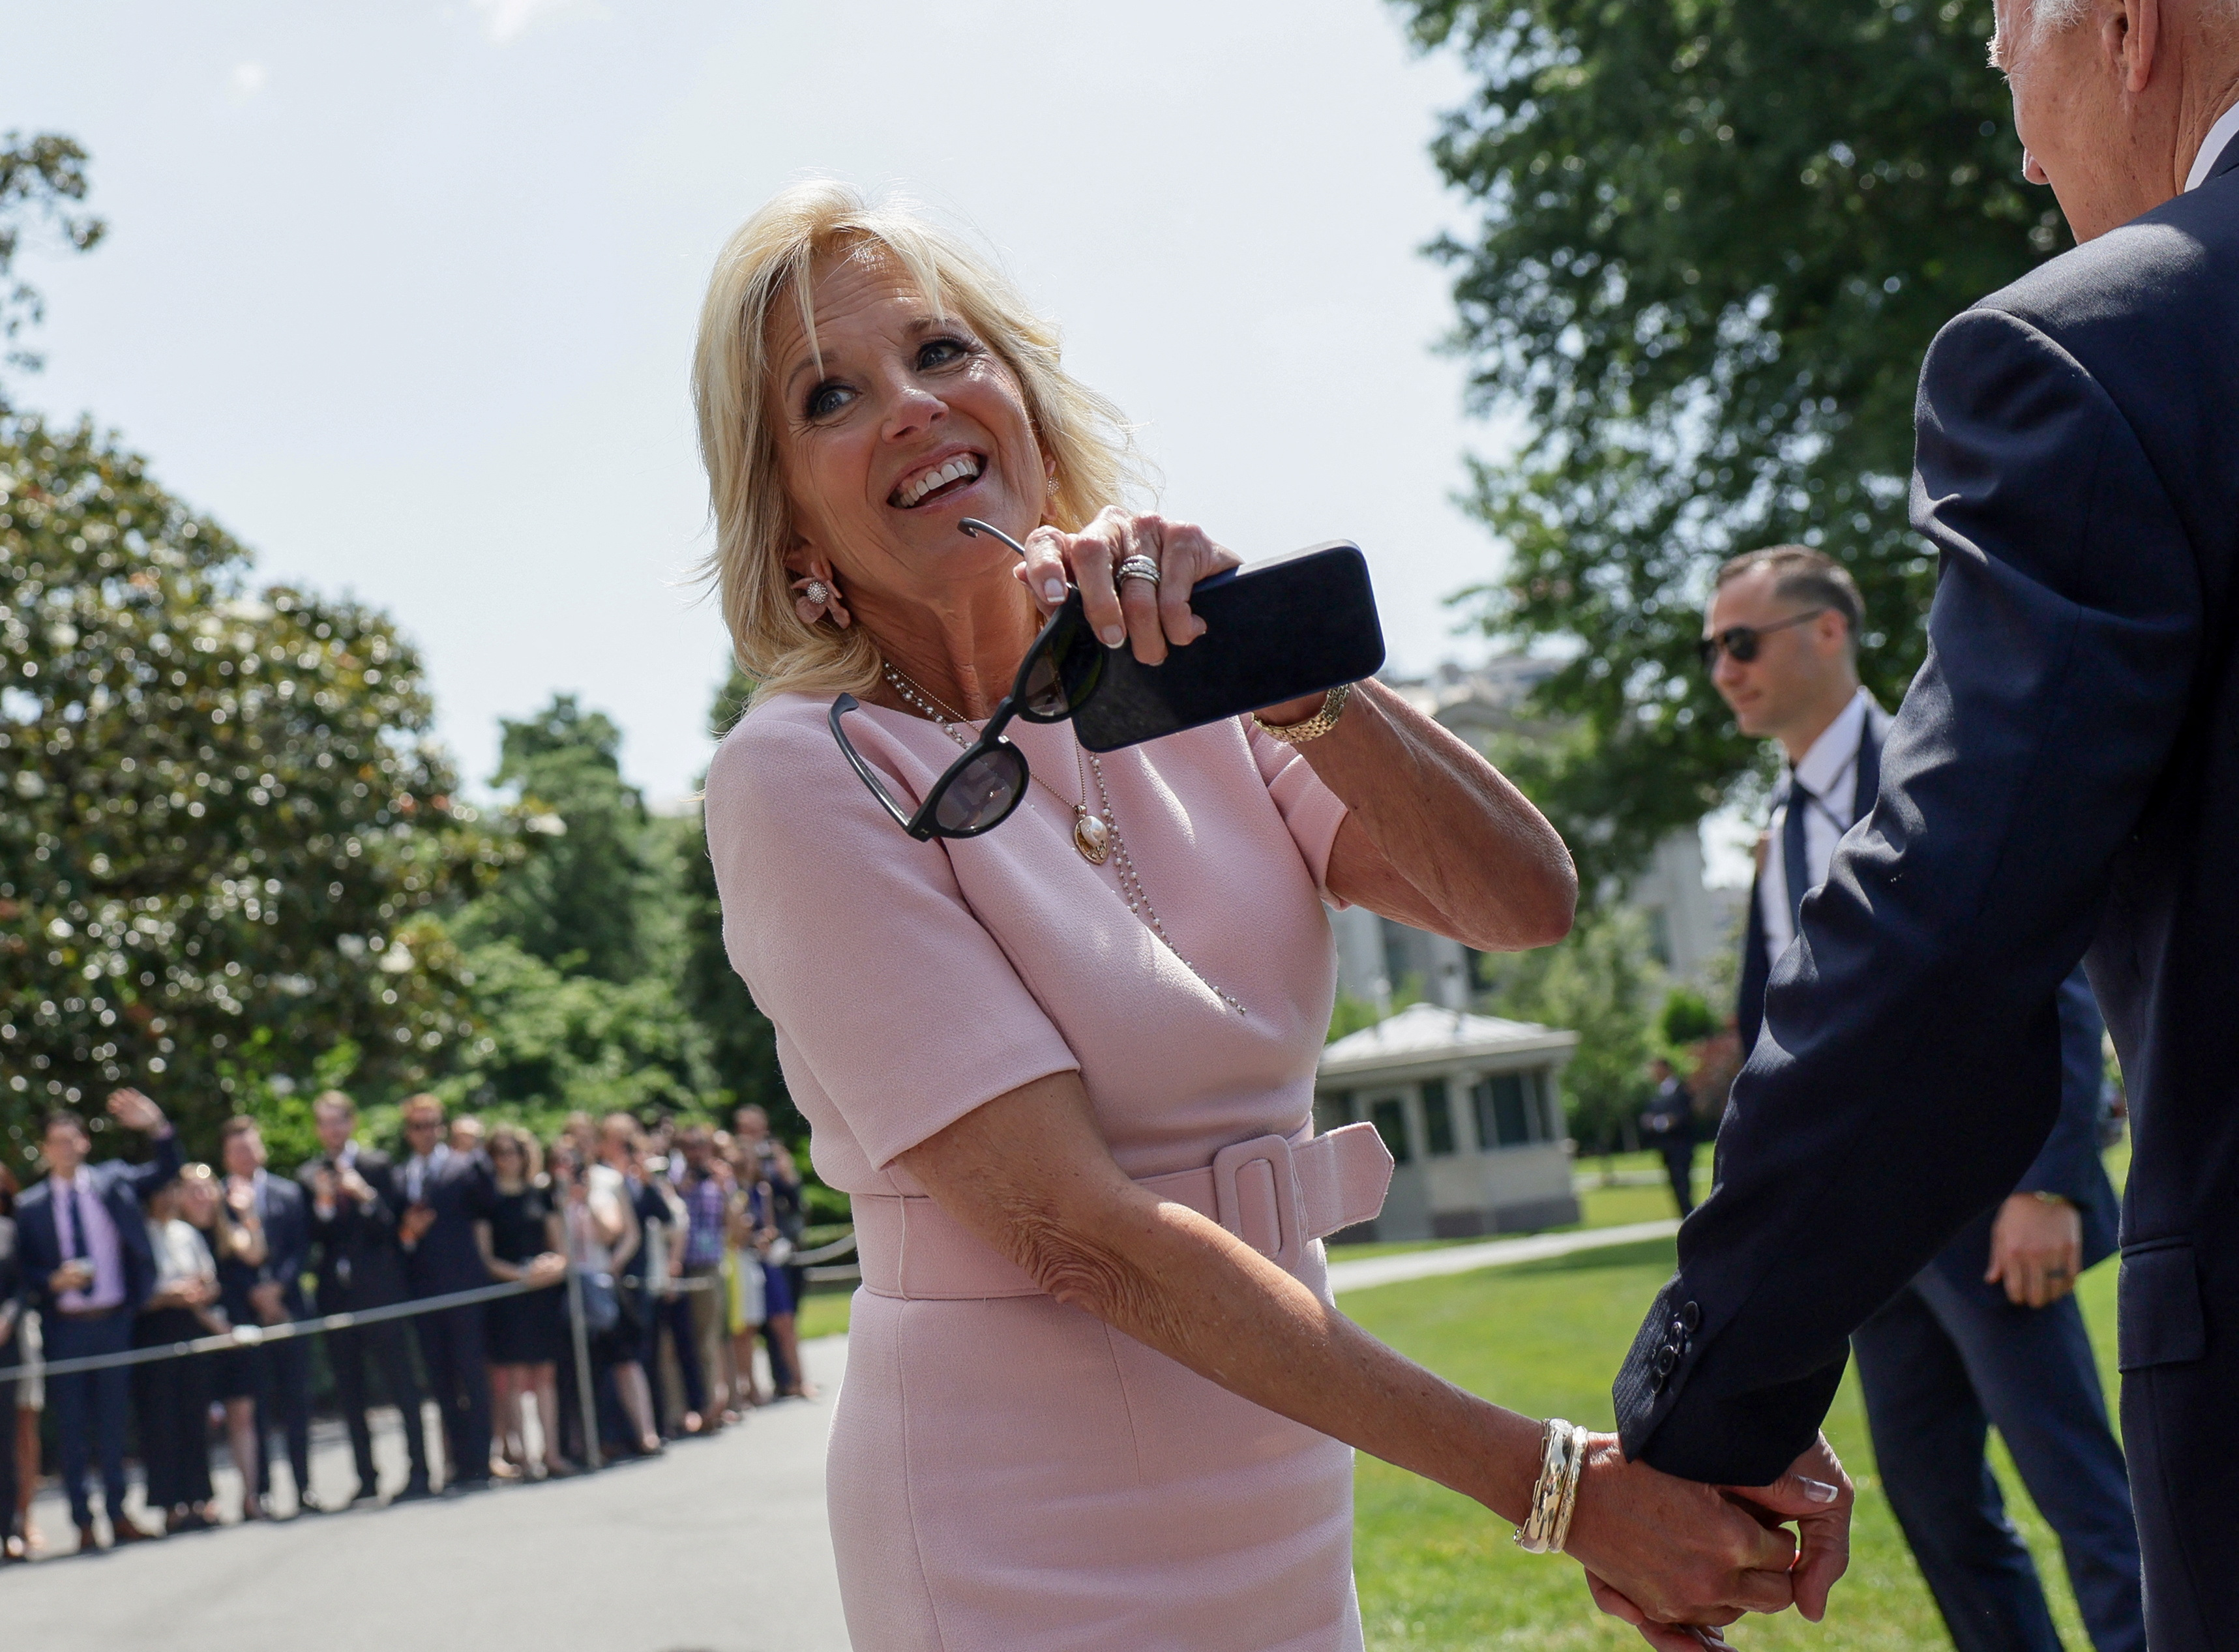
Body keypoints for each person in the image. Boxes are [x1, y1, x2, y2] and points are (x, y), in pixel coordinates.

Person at [694, 182, 1837, 1650]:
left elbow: (1519, 898)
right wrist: (1555, 1489)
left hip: (1273, 1468)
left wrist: (1284, 674)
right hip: (1012, 1517)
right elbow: (1083, 1234)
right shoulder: (799, 775)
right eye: (832, 394)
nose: (912, 406)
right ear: (790, 520)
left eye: (943, 352)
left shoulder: (1194, 685)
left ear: (1026, 405)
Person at [1605, 7, 2239, 1645]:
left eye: (2000, 64)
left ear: (2119, 30)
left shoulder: (2105, 353)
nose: (2019, 152)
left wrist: (1702, 1403)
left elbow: (1950, 952)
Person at [1707, 545, 2142, 1651]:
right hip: (1862, 1244)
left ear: (1825, 631)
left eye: (1740, 641)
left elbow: (2050, 968)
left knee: (2084, 1500)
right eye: (1710, 648)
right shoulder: (1779, 829)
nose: (1721, 667)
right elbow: (1775, 1047)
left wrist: (2046, 1182)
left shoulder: (1937, 772)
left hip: (1989, 1209)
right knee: (1939, 1512)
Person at [12, 1087, 181, 1550]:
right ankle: (82, 1522)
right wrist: (52, 1281)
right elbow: (22, 1272)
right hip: (65, 1327)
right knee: (70, 1428)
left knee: (112, 1423)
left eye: (73, 1140)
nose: (66, 1149)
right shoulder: (30, 1206)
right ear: (46, 1150)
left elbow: (167, 1171)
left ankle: (118, 1512)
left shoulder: (114, 1183)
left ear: (85, 1143)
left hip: (113, 1320)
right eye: (57, 1143)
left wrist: (157, 1126)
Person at [299, 1089, 432, 1504]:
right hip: (337, 1298)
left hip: (381, 1292)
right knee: (350, 1391)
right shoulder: (309, 1176)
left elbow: (394, 1227)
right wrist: (323, 1204)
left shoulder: (376, 1165)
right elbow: (310, 1239)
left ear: (351, 1123)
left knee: (401, 1384)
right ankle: (366, 1477)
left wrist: (365, 1197)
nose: (333, 1130)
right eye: (325, 1123)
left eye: (339, 1121)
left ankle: (420, 1472)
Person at [218, 1115, 319, 1514]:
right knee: (254, 1407)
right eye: (236, 1150)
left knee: (297, 1402)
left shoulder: (288, 1193)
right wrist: (254, 1295)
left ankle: (304, 1487)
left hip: (289, 1308)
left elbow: (300, 1249)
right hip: (246, 1316)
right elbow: (223, 1260)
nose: (245, 1155)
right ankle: (258, 1492)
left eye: (250, 1146)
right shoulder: (219, 1200)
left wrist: (277, 1289)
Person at [397, 1093, 497, 1492]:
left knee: (473, 1374)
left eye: (432, 1124)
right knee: (440, 1381)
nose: (426, 1133)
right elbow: (398, 1236)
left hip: (464, 1287)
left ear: (442, 1127)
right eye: (418, 1126)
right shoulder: (402, 1175)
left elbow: (489, 1204)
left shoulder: (465, 1166)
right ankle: (456, 1462)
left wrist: (479, 1153)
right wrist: (410, 1232)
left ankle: (481, 1461)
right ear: (408, 1133)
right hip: (424, 1292)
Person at [478, 1123, 572, 1479]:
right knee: (515, 1378)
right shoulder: (488, 1201)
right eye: (499, 1153)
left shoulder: (540, 1194)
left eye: (513, 1152)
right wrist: (521, 1276)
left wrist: (549, 1267)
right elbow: (486, 1257)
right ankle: (526, 1456)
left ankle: (553, 1453)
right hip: (510, 1296)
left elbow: (560, 1248)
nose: (508, 1160)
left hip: (543, 1295)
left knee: (546, 1374)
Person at [132, 1173, 223, 1534]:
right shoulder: (139, 1236)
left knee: (193, 1415)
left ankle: (201, 1497)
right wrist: (167, 1296)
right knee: (161, 1419)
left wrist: (199, 1292)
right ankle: (170, 1503)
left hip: (190, 1325)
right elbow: (138, 1293)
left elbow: (211, 1280)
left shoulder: (187, 1233)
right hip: (155, 1329)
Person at [593, 1115, 664, 1455]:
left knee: (641, 1354)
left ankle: (653, 1425)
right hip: (607, 1279)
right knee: (615, 1358)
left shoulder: (637, 1180)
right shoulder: (599, 1179)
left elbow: (662, 1217)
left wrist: (648, 1182)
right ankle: (618, 1434)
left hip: (637, 1279)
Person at [672, 1125, 738, 1426]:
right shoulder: (674, 1181)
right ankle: (693, 1406)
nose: (695, 1152)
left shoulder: (718, 1182)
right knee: (689, 1342)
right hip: (681, 1267)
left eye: (700, 1145)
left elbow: (735, 1228)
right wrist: (679, 1190)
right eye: (689, 1146)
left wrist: (728, 1190)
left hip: (710, 1266)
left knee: (713, 1337)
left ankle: (719, 1403)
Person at [1638, 1060, 1697, 1219]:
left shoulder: (1681, 1090)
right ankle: (1685, 1218)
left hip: (1681, 1147)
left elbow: (1682, 1117)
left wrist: (1659, 1123)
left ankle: (1690, 1218)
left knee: (1683, 1185)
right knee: (1675, 1187)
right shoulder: (1658, 1093)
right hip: (1666, 1149)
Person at [0, 1167, 22, 1563]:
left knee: (5, 1443)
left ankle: (7, 1531)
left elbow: (21, 1285)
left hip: (4, 1346)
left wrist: (7, 1317)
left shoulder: (8, 1230)